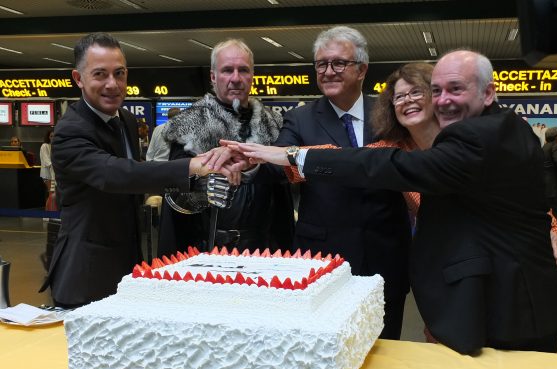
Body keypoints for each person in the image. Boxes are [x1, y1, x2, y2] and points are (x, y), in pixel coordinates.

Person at [229, 50, 557, 355]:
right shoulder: (397, 147)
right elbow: (354, 162)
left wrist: (552, 226)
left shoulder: (477, 136)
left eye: (421, 92)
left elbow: (521, 198)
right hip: (456, 293)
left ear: (487, 93)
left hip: (510, 300)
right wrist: (261, 158)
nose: (414, 100)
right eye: (399, 96)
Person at [38, 32, 239, 308]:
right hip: (86, 272)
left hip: (128, 262)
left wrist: (202, 179)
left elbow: (136, 177)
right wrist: (191, 166)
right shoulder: (70, 131)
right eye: (100, 74)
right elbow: (116, 174)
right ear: (78, 79)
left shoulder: (127, 121)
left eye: (119, 74)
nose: (113, 84)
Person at [261, 26, 412, 340]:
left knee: (385, 347)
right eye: (321, 64)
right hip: (323, 257)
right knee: (326, 345)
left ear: (362, 69)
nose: (328, 71)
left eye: (338, 63)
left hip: (387, 252)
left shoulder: (390, 112)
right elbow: (278, 166)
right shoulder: (300, 119)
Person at [157, 38, 293, 256]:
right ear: (213, 76)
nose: (236, 78)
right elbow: (176, 192)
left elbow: (286, 183)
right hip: (205, 249)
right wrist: (206, 179)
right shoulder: (189, 124)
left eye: (243, 70)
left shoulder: (274, 123)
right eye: (227, 70)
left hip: (265, 249)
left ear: (252, 75)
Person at [39, 129, 56, 210]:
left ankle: (49, 213)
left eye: (54, 136)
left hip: (54, 174)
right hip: (47, 174)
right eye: (51, 136)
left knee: (53, 194)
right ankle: (48, 214)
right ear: (48, 137)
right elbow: (47, 162)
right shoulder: (44, 146)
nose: (53, 138)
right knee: (51, 193)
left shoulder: (56, 146)